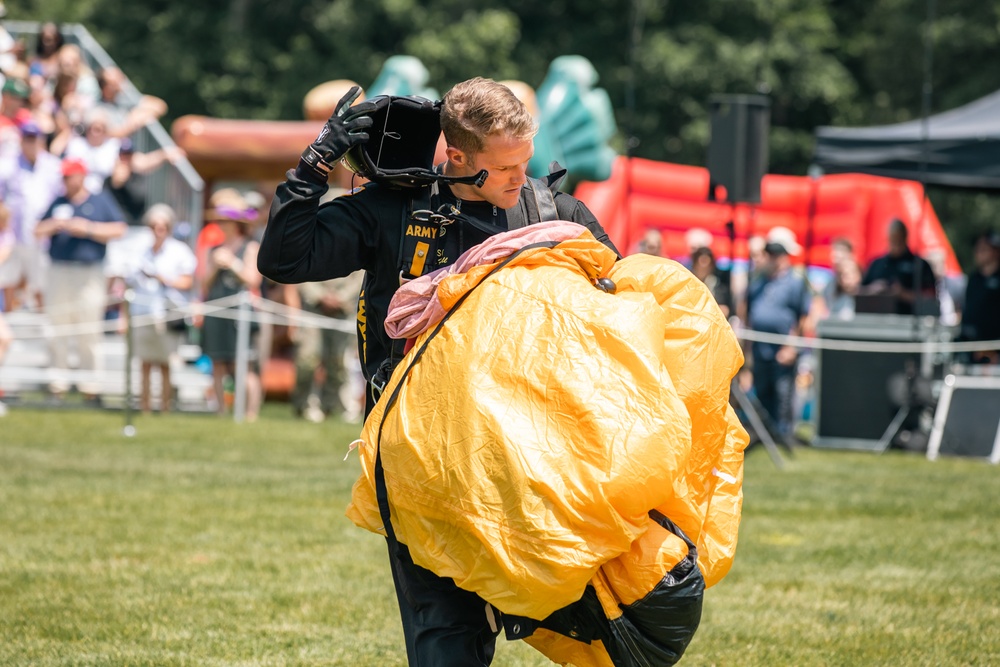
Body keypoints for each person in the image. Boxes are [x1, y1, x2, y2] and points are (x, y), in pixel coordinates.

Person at [258, 77, 618, 667]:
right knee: (447, 649)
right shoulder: (394, 213)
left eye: (524, 162)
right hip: (428, 473)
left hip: (540, 472)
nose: (517, 180)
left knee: (616, 636)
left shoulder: (559, 217)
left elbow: (618, 319)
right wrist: (316, 163)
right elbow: (284, 257)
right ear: (457, 156)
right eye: (503, 169)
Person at [34, 157, 127, 399]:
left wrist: (87, 228)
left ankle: (91, 387)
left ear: (81, 176)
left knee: (89, 328)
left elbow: (119, 229)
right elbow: (37, 229)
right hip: (59, 270)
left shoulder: (99, 201)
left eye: (69, 176)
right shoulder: (58, 202)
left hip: (89, 272)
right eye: (63, 177)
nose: (65, 181)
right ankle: (58, 384)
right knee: (57, 327)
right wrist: (56, 225)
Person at [124, 204, 196, 413]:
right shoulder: (139, 251)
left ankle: (165, 407)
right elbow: (128, 283)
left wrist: (164, 279)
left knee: (165, 363)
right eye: (154, 226)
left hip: (167, 314)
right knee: (144, 363)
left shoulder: (180, 251)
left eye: (162, 226)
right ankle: (145, 406)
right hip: (142, 313)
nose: (158, 230)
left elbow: (188, 281)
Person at [200, 194, 262, 421]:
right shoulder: (213, 248)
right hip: (217, 310)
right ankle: (220, 411)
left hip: (242, 314)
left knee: (244, 365)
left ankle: (250, 414)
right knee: (217, 363)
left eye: (225, 221)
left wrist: (232, 263)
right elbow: (204, 284)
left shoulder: (250, 247)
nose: (221, 225)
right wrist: (216, 265)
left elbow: (253, 280)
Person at [744, 237, 811, 439]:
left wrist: (792, 345)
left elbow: (803, 316)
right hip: (760, 348)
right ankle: (764, 435)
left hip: (783, 349)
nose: (769, 259)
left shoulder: (795, 283)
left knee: (783, 395)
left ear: (782, 257)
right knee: (763, 392)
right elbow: (748, 314)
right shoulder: (758, 282)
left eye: (773, 255)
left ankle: (784, 436)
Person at [0, 119, 63, 311]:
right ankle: (7, 322)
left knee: (42, 281)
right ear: (21, 140)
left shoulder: (52, 165)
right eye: (27, 138)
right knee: (7, 279)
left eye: (34, 138)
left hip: (43, 234)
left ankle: (44, 321)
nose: (31, 142)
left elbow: (59, 197)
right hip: (13, 234)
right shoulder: (7, 164)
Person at [291, 271, 363, 422]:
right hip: (313, 308)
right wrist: (320, 296)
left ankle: (330, 405)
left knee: (338, 361)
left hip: (344, 310)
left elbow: (360, 277)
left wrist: (340, 297)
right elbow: (302, 272)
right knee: (307, 358)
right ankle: (304, 404)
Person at [860, 218, 937, 315]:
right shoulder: (876, 264)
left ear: (905, 237)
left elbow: (931, 298)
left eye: (899, 239)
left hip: (909, 320)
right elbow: (859, 292)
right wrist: (873, 289)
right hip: (879, 321)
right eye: (893, 239)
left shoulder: (919, 265)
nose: (896, 244)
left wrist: (903, 294)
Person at [958, 231, 1000, 365]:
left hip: (995, 349)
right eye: (977, 249)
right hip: (971, 348)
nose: (979, 253)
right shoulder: (974, 279)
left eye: (984, 249)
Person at [690, 245, 731, 317]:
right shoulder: (688, 283)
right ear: (695, 264)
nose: (703, 268)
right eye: (701, 263)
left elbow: (724, 310)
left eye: (706, 264)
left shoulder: (718, 286)